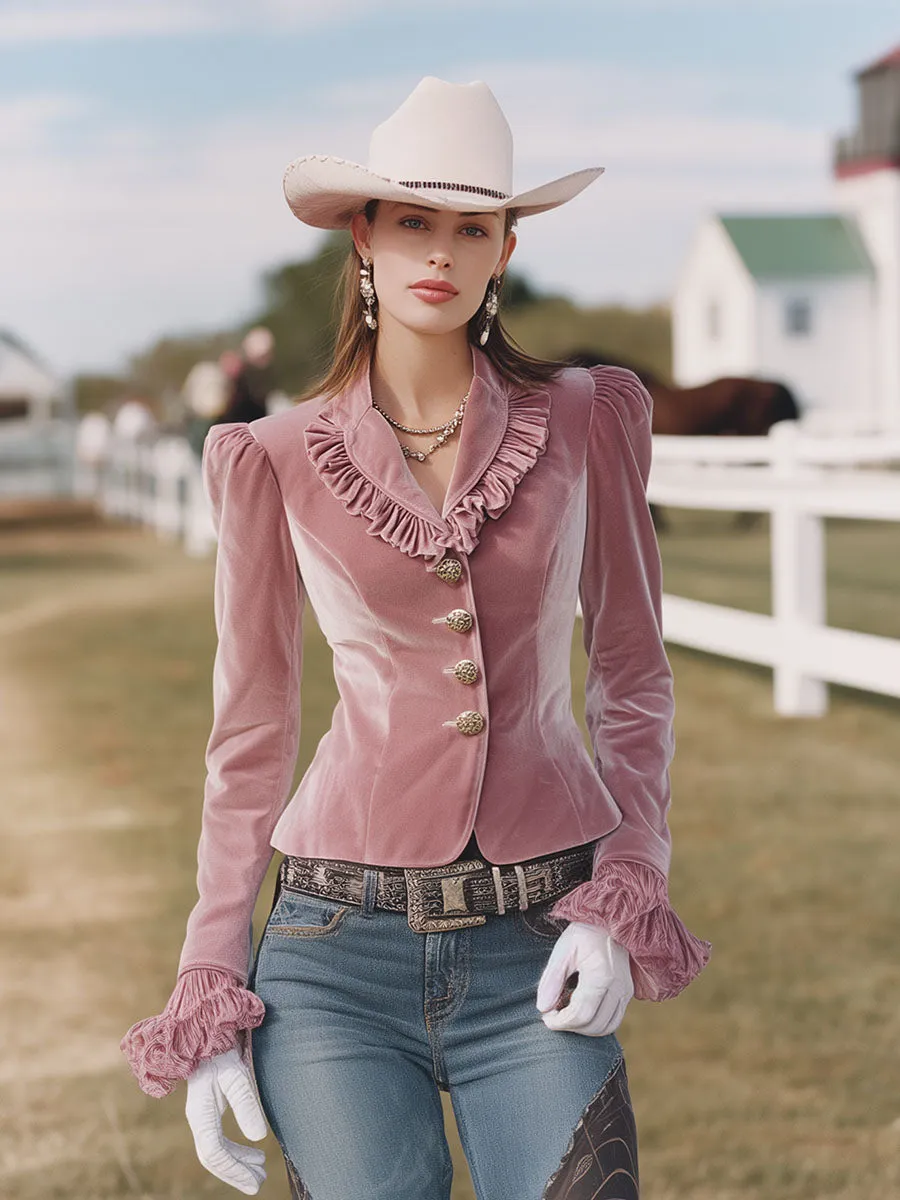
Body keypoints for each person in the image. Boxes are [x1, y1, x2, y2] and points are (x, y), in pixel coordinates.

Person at [120, 76, 712, 1199]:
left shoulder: (590, 417)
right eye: (412, 221)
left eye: (470, 227)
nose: (439, 251)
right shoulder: (274, 456)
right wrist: (209, 977)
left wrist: (628, 883)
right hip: (333, 950)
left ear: (505, 248)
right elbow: (250, 733)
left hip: (539, 935)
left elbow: (631, 675)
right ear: (365, 238)